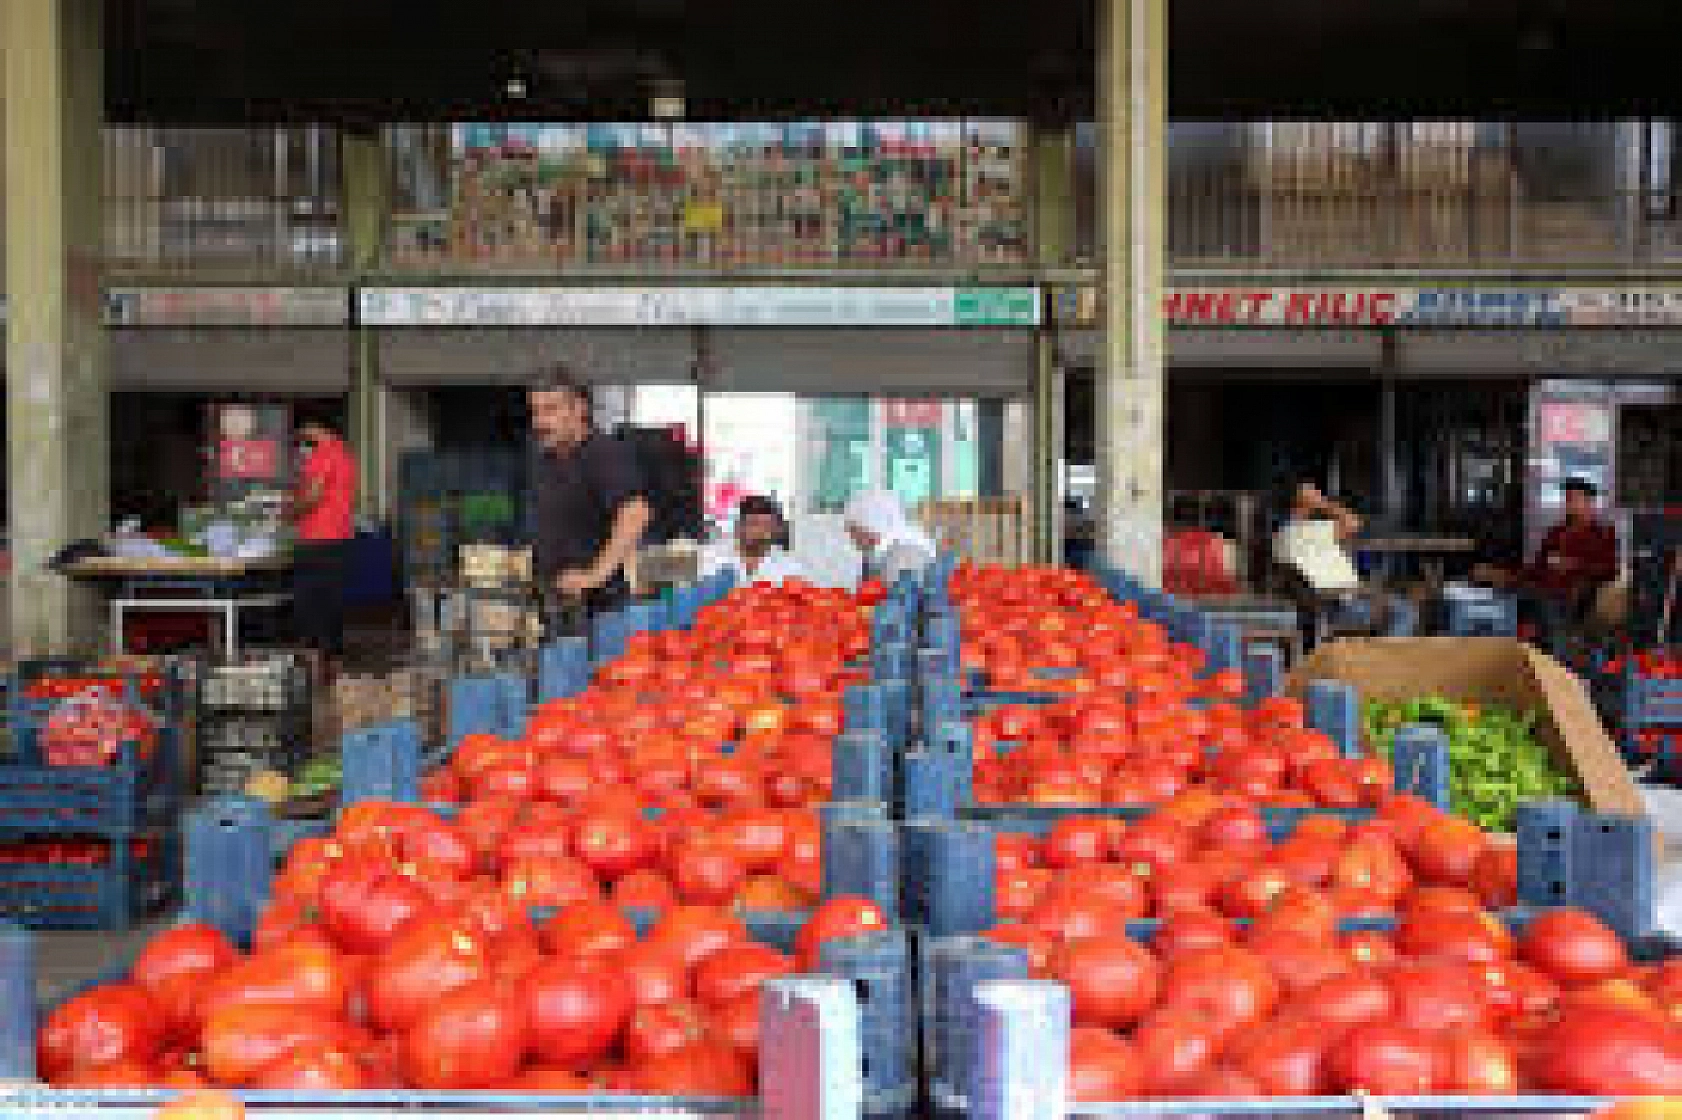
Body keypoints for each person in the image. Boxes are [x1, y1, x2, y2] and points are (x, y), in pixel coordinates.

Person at [528, 366, 652, 618]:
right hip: (555, 606)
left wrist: (595, 574)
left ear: (580, 409)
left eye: (551, 409)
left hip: (599, 610)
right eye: (536, 411)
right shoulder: (544, 458)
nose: (540, 421)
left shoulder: (603, 454)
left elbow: (636, 514)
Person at [1272, 481, 1418, 639]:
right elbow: (1353, 523)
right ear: (1301, 502)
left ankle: (1379, 655)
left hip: (1341, 598)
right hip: (1340, 604)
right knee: (1405, 611)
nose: (1319, 494)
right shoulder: (1304, 531)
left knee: (1399, 606)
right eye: (1314, 493)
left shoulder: (1289, 533)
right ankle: (1382, 660)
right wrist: (1323, 504)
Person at [1504, 478, 1620, 648]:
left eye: (1573, 499)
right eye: (1567, 499)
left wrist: (1573, 565)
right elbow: (1538, 565)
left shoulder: (1602, 534)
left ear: (1589, 502)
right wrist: (1509, 576)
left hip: (1571, 596)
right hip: (1538, 589)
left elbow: (1610, 569)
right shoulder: (1557, 532)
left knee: (1546, 606)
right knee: (1503, 597)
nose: (1568, 504)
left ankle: (1556, 658)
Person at [290, 411, 357, 677]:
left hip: (318, 540)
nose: (301, 437)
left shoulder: (322, 455)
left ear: (314, 427)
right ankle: (335, 664)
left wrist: (287, 511)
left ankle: (314, 666)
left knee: (309, 605)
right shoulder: (345, 455)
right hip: (340, 539)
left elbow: (313, 496)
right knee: (332, 604)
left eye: (303, 431)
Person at [701, 494, 807, 585]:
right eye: (752, 523)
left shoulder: (790, 566)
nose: (758, 531)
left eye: (766, 526)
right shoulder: (714, 558)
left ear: (776, 531)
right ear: (738, 526)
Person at [844, 487, 937, 587]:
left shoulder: (906, 552)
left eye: (855, 530)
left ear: (872, 525)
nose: (851, 537)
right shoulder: (875, 551)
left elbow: (903, 596)